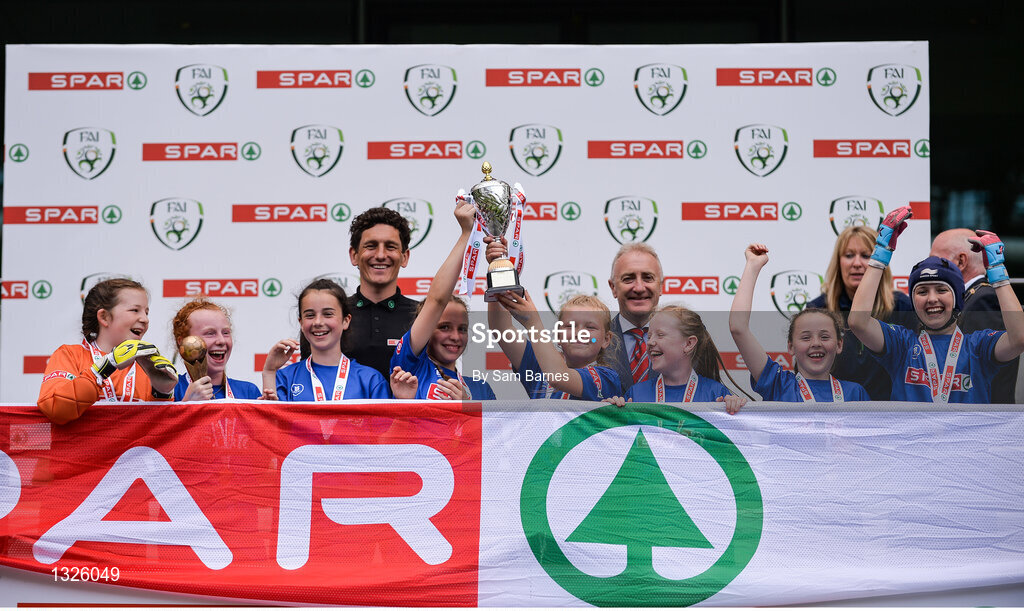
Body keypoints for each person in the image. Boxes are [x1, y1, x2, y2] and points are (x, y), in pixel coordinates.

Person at [849, 206, 1024, 403]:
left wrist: (998, 273)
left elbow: (1019, 339)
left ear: (957, 299)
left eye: (941, 290)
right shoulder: (902, 345)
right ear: (913, 301)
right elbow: (858, 322)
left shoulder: (977, 347)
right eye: (922, 291)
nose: (932, 298)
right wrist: (880, 255)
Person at [730, 244, 870, 402]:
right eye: (805, 337)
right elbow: (738, 328)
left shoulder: (855, 393)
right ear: (791, 346)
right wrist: (752, 266)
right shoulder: (779, 385)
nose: (816, 343)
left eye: (824, 337)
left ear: (839, 344)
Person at [390, 193, 495, 401]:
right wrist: (467, 234)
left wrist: (468, 409)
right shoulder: (410, 368)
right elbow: (436, 301)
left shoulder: (481, 388)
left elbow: (494, 435)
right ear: (428, 329)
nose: (455, 336)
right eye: (444, 327)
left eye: (462, 329)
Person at [37, 278, 178, 424]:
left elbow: (160, 434)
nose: (145, 319)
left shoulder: (148, 366)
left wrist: (162, 394)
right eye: (135, 310)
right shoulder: (70, 355)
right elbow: (55, 410)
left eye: (146, 312)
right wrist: (102, 369)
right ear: (104, 317)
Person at [806, 225, 914, 400]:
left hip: (891, 416)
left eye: (866, 256)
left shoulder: (902, 306)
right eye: (849, 255)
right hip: (836, 414)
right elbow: (805, 372)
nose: (857, 263)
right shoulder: (819, 309)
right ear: (838, 261)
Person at [262, 279, 392, 401]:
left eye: (328, 314)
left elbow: (386, 425)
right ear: (301, 323)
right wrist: (269, 372)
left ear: (346, 321)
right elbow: (272, 424)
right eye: (310, 315)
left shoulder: (370, 380)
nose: (318, 322)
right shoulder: (284, 378)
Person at [489, 282, 621, 399]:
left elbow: (559, 377)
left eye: (590, 327)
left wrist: (533, 322)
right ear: (558, 335)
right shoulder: (539, 365)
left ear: (606, 339)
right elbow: (502, 328)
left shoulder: (607, 378)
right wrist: (499, 277)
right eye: (570, 326)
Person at [606, 305, 748, 414]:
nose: (649, 342)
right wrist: (610, 410)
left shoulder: (716, 394)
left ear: (688, 344)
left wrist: (734, 407)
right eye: (649, 337)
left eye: (660, 335)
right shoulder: (636, 393)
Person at [931, 228, 1018, 402]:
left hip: (982, 418)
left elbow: (976, 367)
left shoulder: (984, 299)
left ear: (961, 261)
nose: (930, 267)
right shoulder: (968, 298)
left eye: (935, 260)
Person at [342, 207, 419, 378]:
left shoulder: (422, 315)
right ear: (354, 255)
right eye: (371, 246)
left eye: (390, 247)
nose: (381, 255)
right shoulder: (332, 315)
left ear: (404, 257)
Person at [170, 297, 263, 401]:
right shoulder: (170, 390)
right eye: (210, 333)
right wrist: (187, 404)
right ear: (183, 341)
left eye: (226, 333)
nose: (221, 341)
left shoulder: (248, 392)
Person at [606, 243, 664, 393]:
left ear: (661, 287)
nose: (639, 288)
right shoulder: (595, 341)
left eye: (648, 278)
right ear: (613, 287)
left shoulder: (689, 336)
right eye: (628, 279)